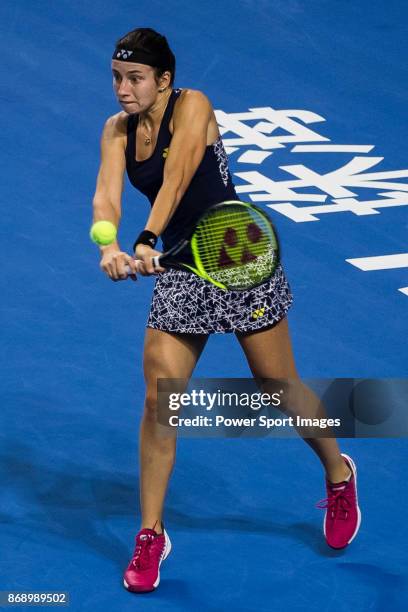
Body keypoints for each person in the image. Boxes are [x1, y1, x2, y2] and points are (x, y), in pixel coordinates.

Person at [92, 27, 361, 594]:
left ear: (165, 80)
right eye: (117, 77)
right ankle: (150, 533)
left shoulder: (195, 106)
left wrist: (146, 238)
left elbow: (178, 175)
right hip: (183, 269)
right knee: (159, 398)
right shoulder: (116, 131)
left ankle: (338, 473)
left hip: (235, 252)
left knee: (278, 385)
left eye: (136, 78)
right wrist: (109, 245)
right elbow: (106, 197)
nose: (123, 89)